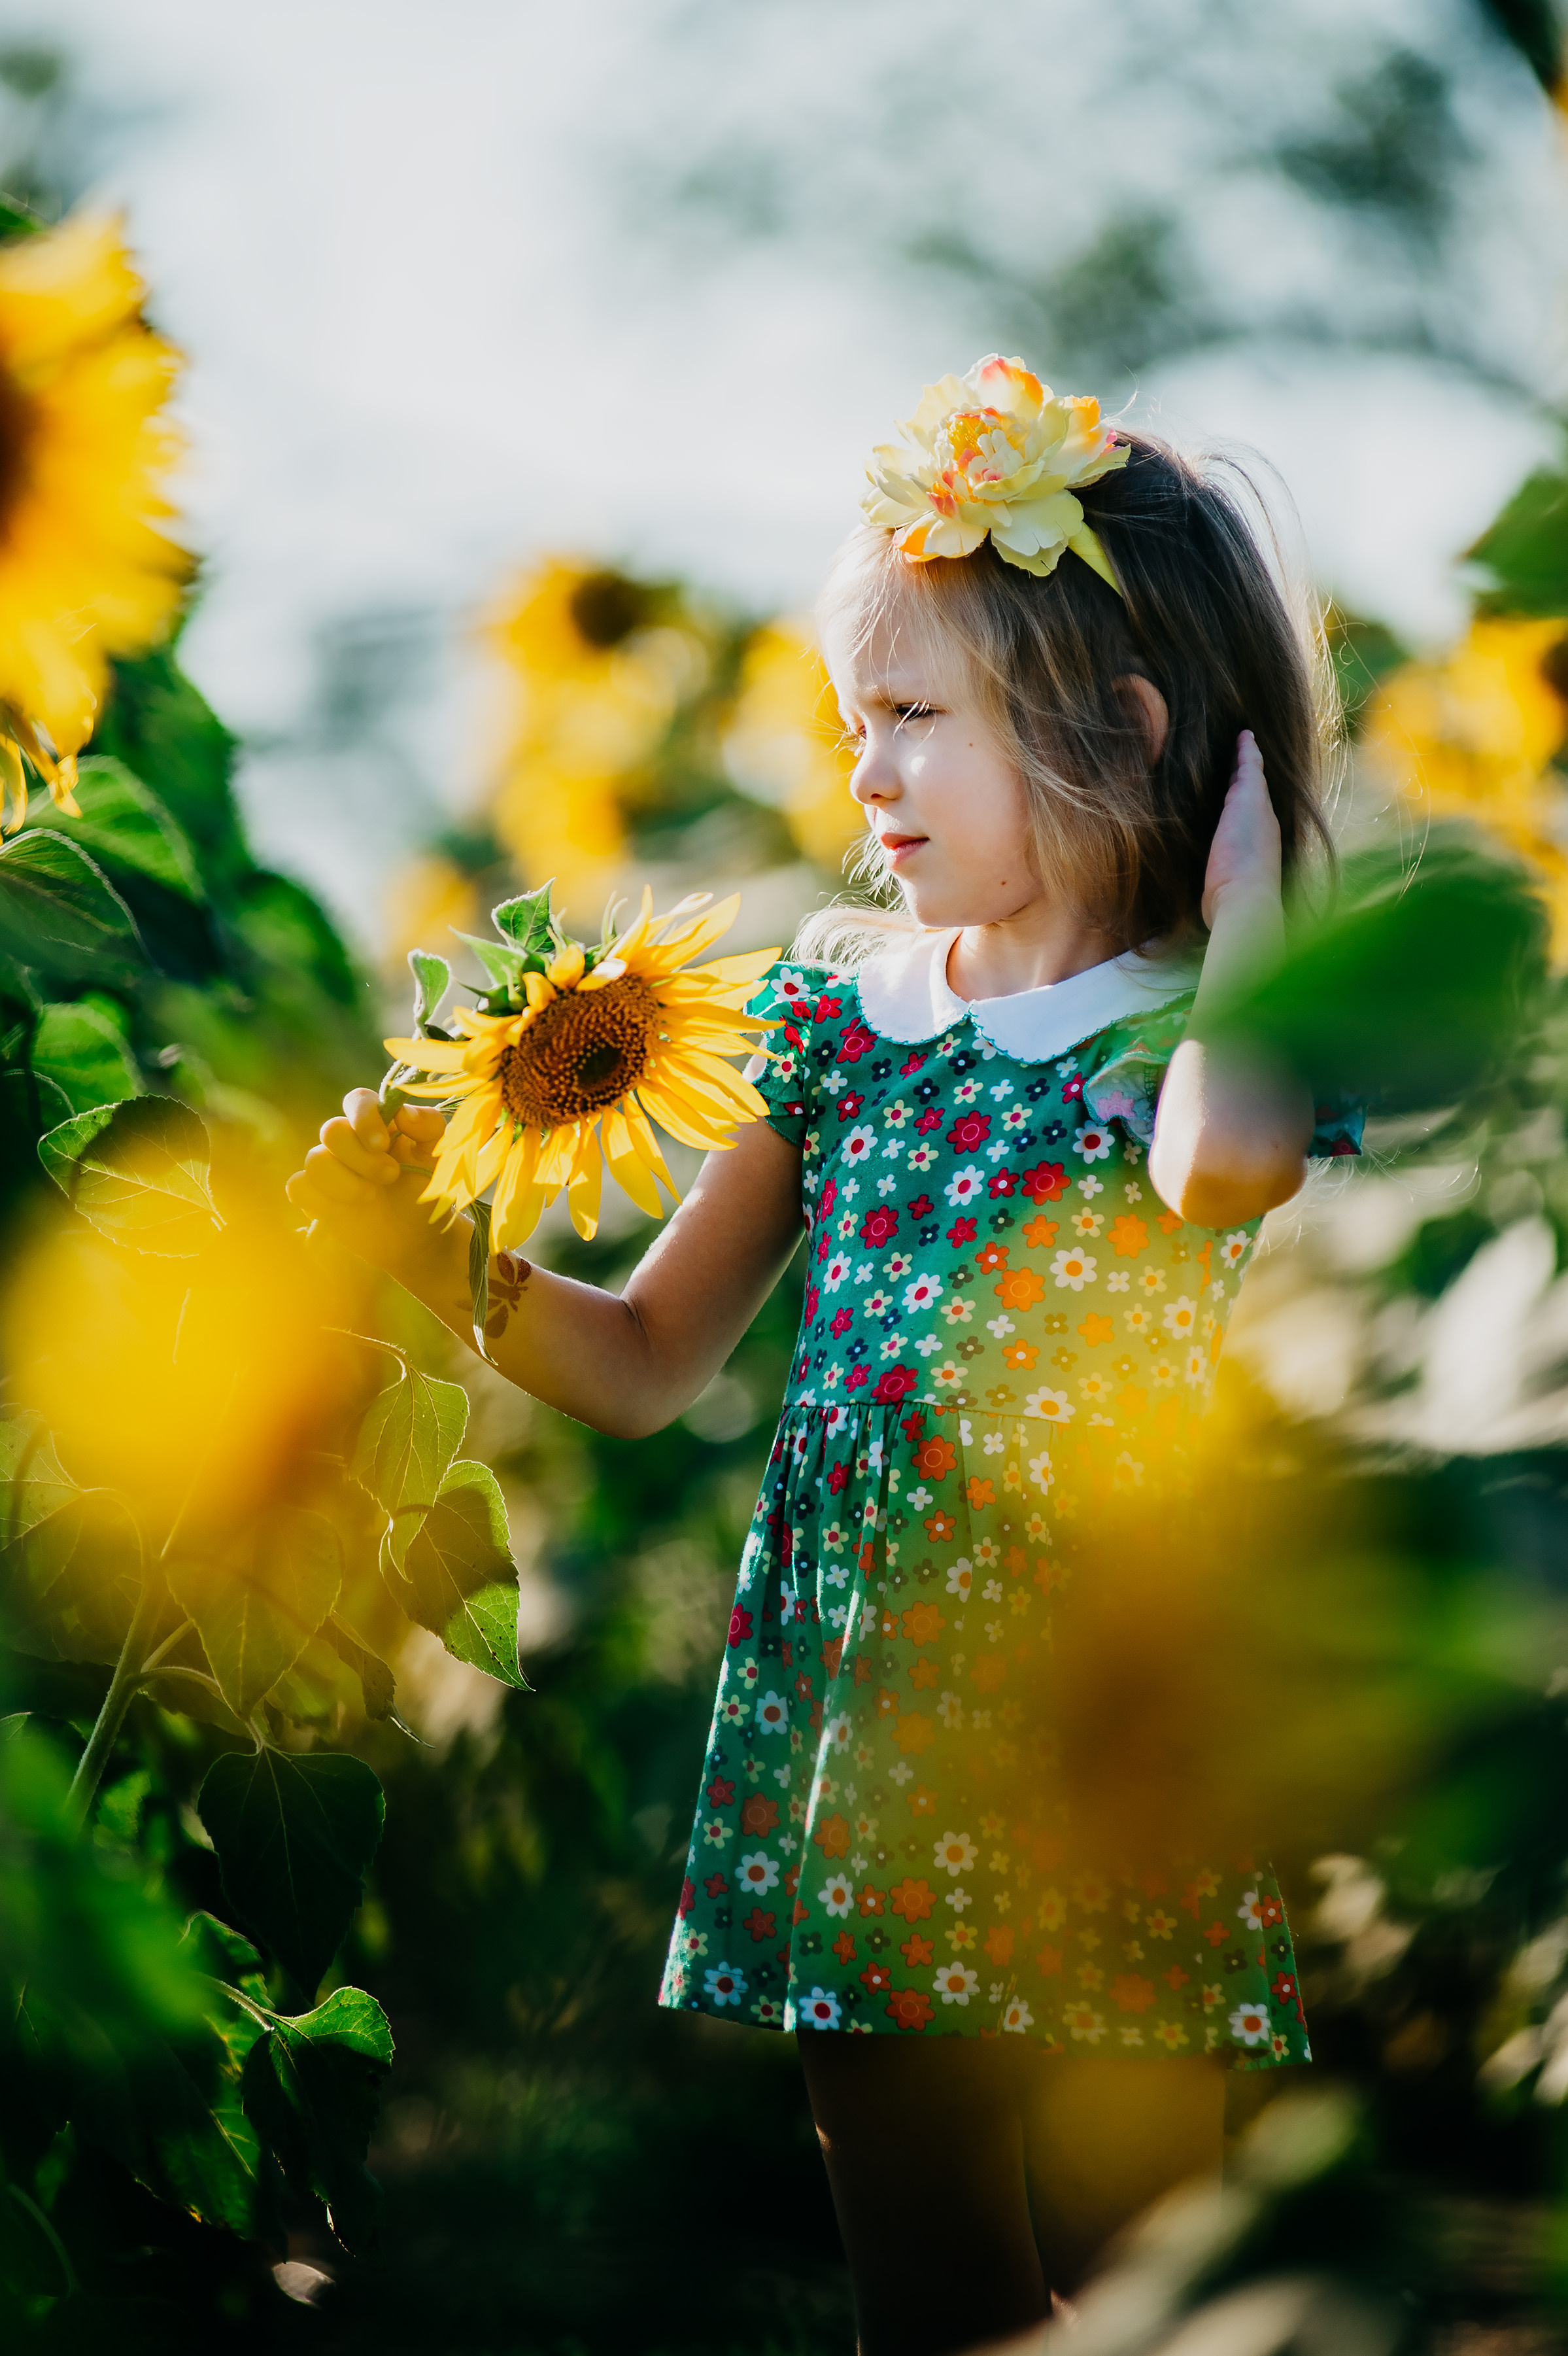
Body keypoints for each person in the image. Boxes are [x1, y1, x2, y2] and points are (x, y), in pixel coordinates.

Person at [287, 360, 1361, 2355]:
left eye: (917, 718)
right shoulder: (842, 1017)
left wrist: (1249, 906)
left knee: (1161, 2296)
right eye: (858, 718)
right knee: (934, 2305)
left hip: (1107, 1743)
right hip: (863, 1736)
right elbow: (645, 1364)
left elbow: (1227, 1172)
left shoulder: (1199, 1042)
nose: (864, 773)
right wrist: (452, 1266)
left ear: (1115, 729)